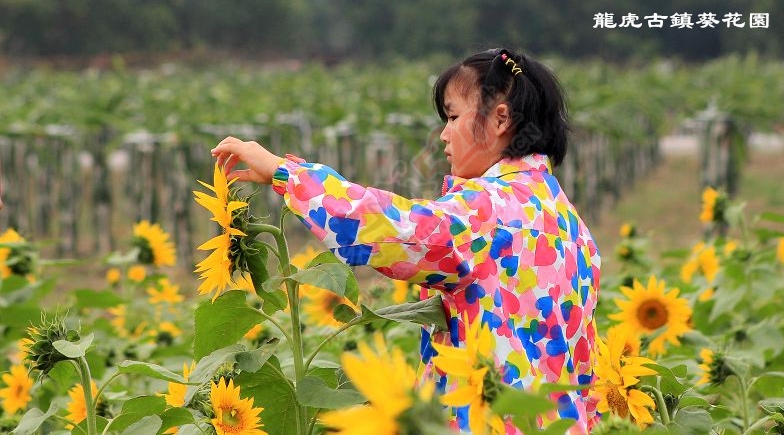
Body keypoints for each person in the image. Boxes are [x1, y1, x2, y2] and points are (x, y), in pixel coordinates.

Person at [211, 48, 600, 434]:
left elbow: (389, 228)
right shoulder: (573, 227)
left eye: (453, 116)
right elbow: (585, 364)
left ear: (500, 120)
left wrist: (287, 175)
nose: (444, 135)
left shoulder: (486, 212)